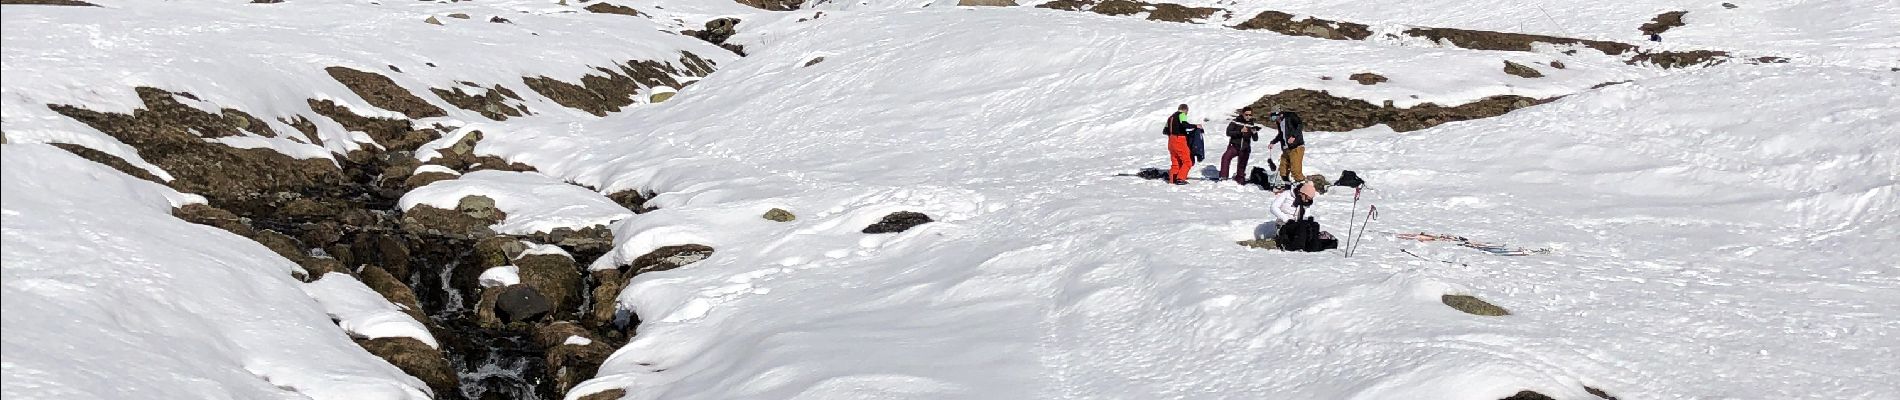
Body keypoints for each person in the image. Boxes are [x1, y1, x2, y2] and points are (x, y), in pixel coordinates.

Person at [1163, 104, 1202, 185]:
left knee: (1176, 161)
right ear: (1185, 110)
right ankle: (1180, 179)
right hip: (1179, 140)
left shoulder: (1170, 117)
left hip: (1171, 141)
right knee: (1188, 161)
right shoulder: (1182, 114)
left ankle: (1172, 179)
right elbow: (1184, 124)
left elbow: (1165, 131)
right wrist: (1196, 126)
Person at [1219, 109, 1259, 184]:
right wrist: (1240, 131)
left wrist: (1254, 133)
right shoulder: (1235, 121)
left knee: (1242, 164)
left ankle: (1240, 179)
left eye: (1250, 115)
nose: (1248, 116)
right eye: (1246, 114)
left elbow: (1255, 139)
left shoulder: (1251, 124)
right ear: (1243, 114)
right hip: (1234, 146)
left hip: (1245, 148)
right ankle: (1223, 176)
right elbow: (1228, 132)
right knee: (1225, 157)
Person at [1267, 109, 1305, 183]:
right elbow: (1281, 134)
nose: (1274, 120)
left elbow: (1300, 125)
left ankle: (1303, 187)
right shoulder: (1279, 123)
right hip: (1286, 149)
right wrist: (1273, 142)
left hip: (1296, 147)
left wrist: (1293, 136)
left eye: (1274, 118)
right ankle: (1286, 185)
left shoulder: (1290, 116)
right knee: (1283, 171)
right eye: (1272, 119)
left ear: (1280, 114)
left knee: (1295, 171)